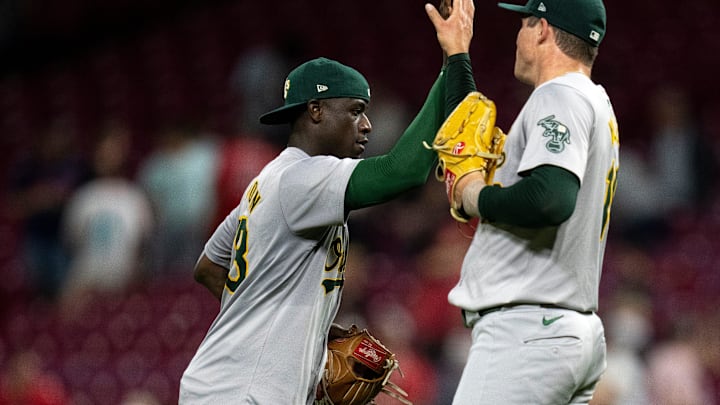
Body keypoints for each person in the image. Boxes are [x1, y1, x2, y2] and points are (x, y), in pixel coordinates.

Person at [179, 0, 478, 402]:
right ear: (316, 111)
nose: (367, 124)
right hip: (242, 392)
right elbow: (402, 172)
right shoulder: (303, 178)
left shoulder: (270, 182)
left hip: (230, 387)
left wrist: (307, 326)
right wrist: (453, 60)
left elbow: (209, 266)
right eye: (355, 111)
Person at [445, 0, 619, 403]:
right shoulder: (594, 101)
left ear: (541, 28)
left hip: (529, 334)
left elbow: (550, 200)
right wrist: (457, 56)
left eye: (523, 23)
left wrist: (474, 195)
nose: (518, 36)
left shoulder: (559, 95)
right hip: (564, 329)